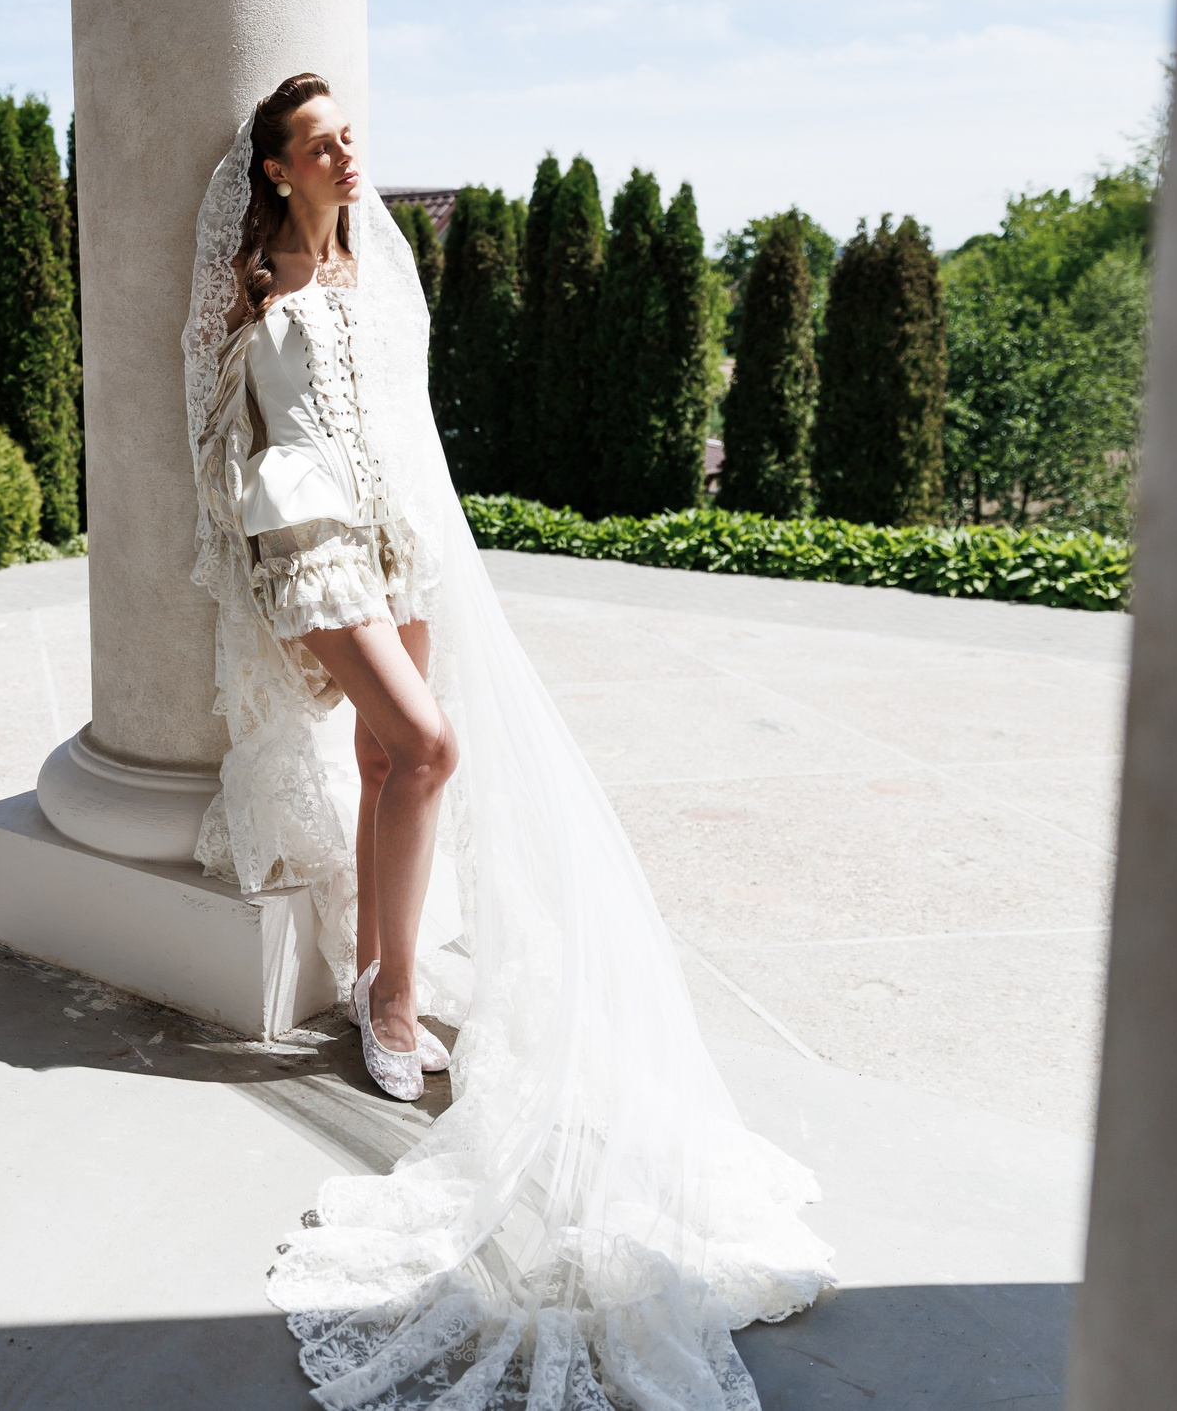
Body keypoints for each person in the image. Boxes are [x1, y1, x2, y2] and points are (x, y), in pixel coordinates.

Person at [184, 73, 835, 1410]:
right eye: (320, 144)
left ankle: (381, 968)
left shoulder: (385, 273)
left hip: (401, 531)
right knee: (429, 749)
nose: (346, 155)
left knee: (390, 761)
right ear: (275, 168)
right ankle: (392, 1004)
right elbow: (212, 432)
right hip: (307, 541)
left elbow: (409, 420)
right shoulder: (244, 291)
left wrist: (432, 542)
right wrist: (243, 558)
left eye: (350, 137)